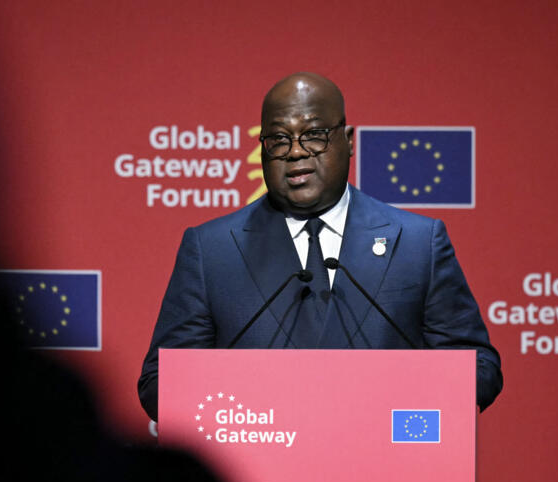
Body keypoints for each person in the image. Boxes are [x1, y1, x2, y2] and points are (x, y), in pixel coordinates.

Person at [139, 72, 502, 420]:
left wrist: (396, 391)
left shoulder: (417, 242)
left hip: (386, 464)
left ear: (348, 140)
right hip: (257, 464)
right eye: (278, 139)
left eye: (314, 134)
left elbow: (479, 369)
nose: (295, 152)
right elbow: (160, 384)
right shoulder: (211, 249)